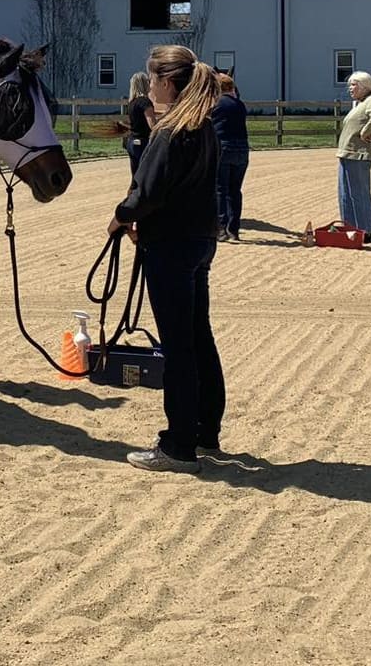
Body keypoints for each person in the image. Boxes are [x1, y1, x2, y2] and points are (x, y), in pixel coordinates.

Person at [108, 44, 224, 474]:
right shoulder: (204, 128)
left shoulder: (170, 131)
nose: (150, 85)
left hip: (172, 245)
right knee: (198, 336)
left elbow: (148, 191)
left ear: (168, 83)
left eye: (155, 79)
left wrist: (121, 218)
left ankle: (178, 444)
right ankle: (206, 429)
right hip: (198, 240)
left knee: (179, 345)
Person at [337, 71, 371, 235]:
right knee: (345, 194)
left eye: (354, 85)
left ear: (365, 87)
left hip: (357, 155)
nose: (350, 88)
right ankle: (350, 229)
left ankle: (364, 231)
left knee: (358, 194)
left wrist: (365, 132)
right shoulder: (360, 103)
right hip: (348, 154)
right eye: (350, 85)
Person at [210, 73, 250, 242]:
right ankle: (234, 229)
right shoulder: (240, 105)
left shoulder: (216, 105)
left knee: (220, 189)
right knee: (235, 190)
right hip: (242, 149)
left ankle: (221, 228)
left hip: (224, 148)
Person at [124, 72, 154, 173]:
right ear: (144, 84)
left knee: (135, 177)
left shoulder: (132, 103)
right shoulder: (145, 102)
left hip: (132, 142)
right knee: (147, 175)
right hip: (143, 143)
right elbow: (152, 124)